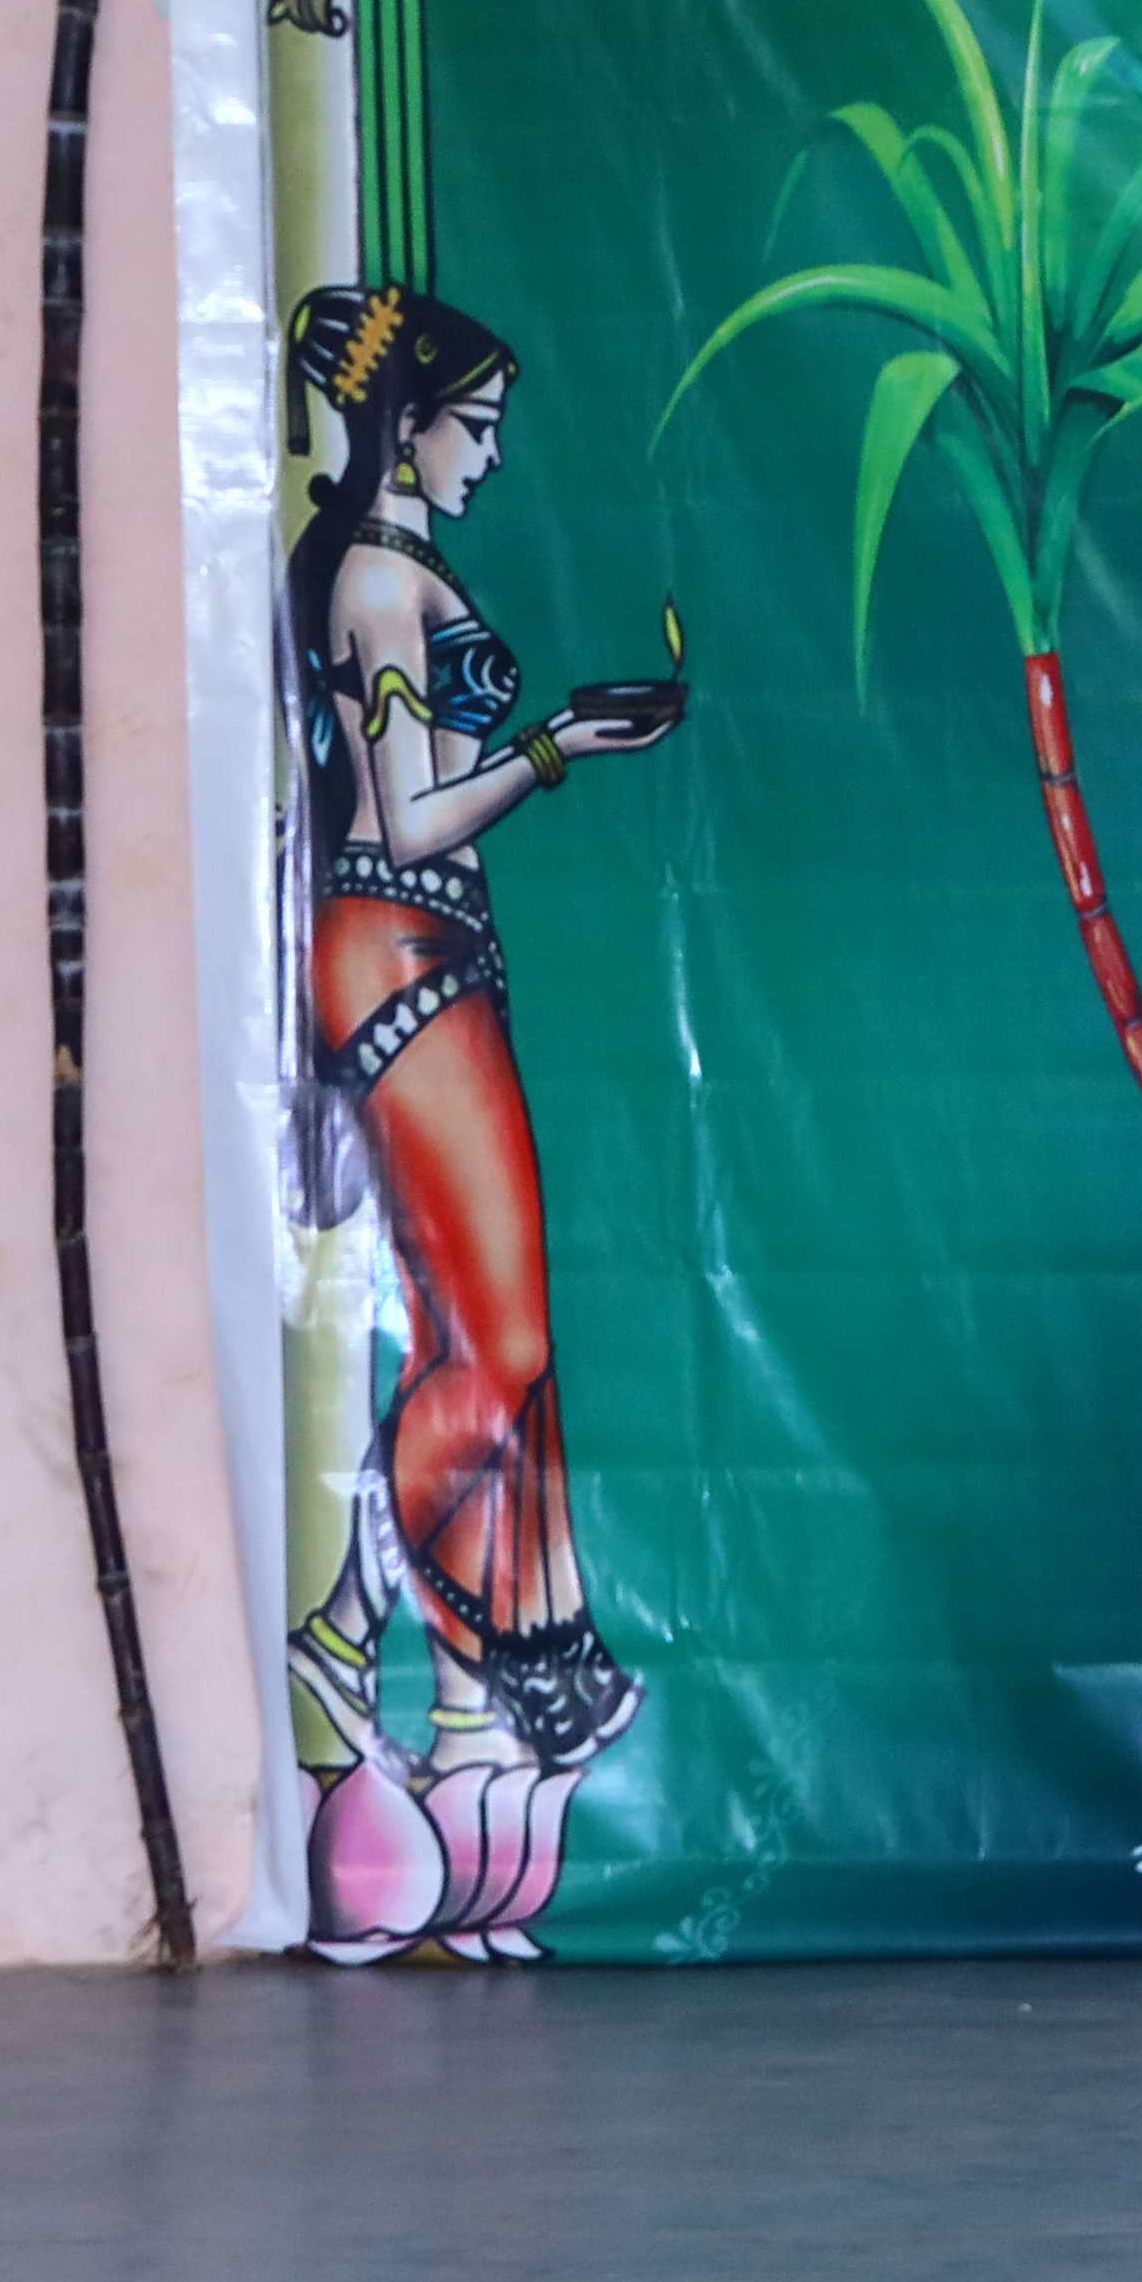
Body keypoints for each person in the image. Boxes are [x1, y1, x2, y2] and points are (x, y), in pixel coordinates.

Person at [282, 282, 680, 1938]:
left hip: (430, 946)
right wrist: (560, 750)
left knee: (491, 1331)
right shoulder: (376, 576)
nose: (493, 454)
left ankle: (511, 1651)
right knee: (493, 1346)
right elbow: (415, 811)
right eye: (478, 424)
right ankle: (357, 1606)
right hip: (403, 934)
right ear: (409, 421)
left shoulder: (387, 565)